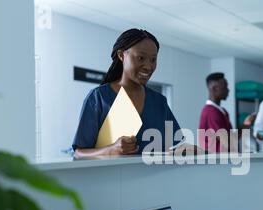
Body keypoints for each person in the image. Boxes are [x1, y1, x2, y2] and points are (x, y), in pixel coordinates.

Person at [72, 29, 183, 158]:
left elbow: (173, 148)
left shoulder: (159, 102)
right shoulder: (99, 98)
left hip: (153, 177)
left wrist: (188, 150)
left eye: (153, 60)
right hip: (111, 177)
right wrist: (111, 150)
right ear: (121, 55)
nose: (148, 66)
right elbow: (78, 153)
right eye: (141, 58)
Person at [198, 72, 256, 153]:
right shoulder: (211, 112)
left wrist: (246, 124)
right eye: (225, 87)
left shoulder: (222, 111)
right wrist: (245, 125)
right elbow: (228, 142)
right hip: (217, 162)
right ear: (214, 88)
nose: (228, 90)